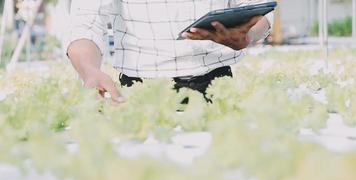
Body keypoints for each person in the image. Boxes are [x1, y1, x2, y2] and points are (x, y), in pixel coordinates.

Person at [65, 0, 274, 103]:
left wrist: (248, 36)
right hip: (141, 94)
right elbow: (86, 23)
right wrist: (88, 70)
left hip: (218, 87)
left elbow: (256, 10)